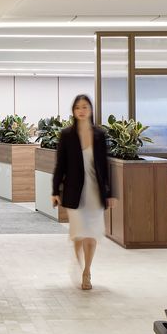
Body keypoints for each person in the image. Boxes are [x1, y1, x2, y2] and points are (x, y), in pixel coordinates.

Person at [51, 94, 116, 290]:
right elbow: (60, 165)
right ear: (73, 111)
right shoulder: (67, 135)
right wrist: (55, 190)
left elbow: (105, 166)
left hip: (95, 192)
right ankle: (78, 262)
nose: (81, 110)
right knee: (79, 232)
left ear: (91, 110)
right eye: (78, 107)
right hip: (75, 191)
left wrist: (110, 193)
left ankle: (87, 271)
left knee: (91, 234)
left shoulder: (99, 135)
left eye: (85, 106)